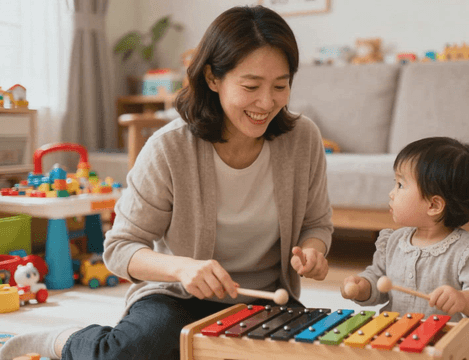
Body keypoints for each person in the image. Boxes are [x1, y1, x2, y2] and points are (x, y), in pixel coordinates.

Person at [0, 5, 333, 360]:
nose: (267, 102)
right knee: (122, 354)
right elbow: (119, 247)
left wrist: (313, 251)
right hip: (178, 298)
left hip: (266, 301)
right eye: (251, 86)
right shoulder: (169, 146)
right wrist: (183, 268)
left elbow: (316, 224)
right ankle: (66, 341)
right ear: (213, 78)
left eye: (280, 86)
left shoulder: (303, 138)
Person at [341, 137, 469, 360]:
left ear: (434, 205)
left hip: (462, 339)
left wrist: (463, 299)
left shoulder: (468, 250)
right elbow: (378, 279)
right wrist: (363, 286)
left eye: (400, 185)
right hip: (400, 335)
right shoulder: (392, 242)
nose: (392, 193)